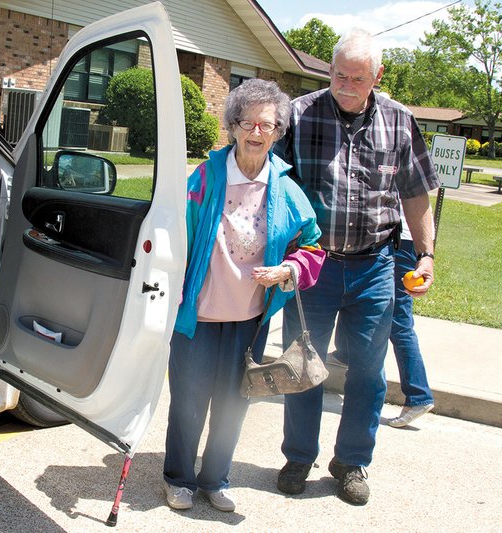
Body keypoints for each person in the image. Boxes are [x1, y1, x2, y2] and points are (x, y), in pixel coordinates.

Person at [272, 28, 440, 506]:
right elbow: (271, 187)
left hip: (375, 268)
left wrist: (425, 254)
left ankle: (351, 463)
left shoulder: (399, 121)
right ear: (329, 70)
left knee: (368, 373)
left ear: (377, 76)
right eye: (338, 74)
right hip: (313, 267)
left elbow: (414, 194)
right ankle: (299, 456)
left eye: (357, 78)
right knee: (302, 365)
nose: (345, 85)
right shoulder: (299, 115)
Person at [163, 78, 325, 513]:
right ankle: (178, 478)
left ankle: (215, 480)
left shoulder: (285, 188)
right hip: (197, 317)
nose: (257, 132)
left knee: (234, 405)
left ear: (277, 132)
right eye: (249, 123)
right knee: (188, 402)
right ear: (233, 126)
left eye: (268, 125)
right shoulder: (205, 177)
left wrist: (290, 267)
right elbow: (175, 235)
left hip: (249, 320)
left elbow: (313, 244)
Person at [332, 213, 436, 428]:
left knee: (398, 320)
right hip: (395, 239)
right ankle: (344, 354)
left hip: (399, 241)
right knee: (357, 300)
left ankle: (418, 395)